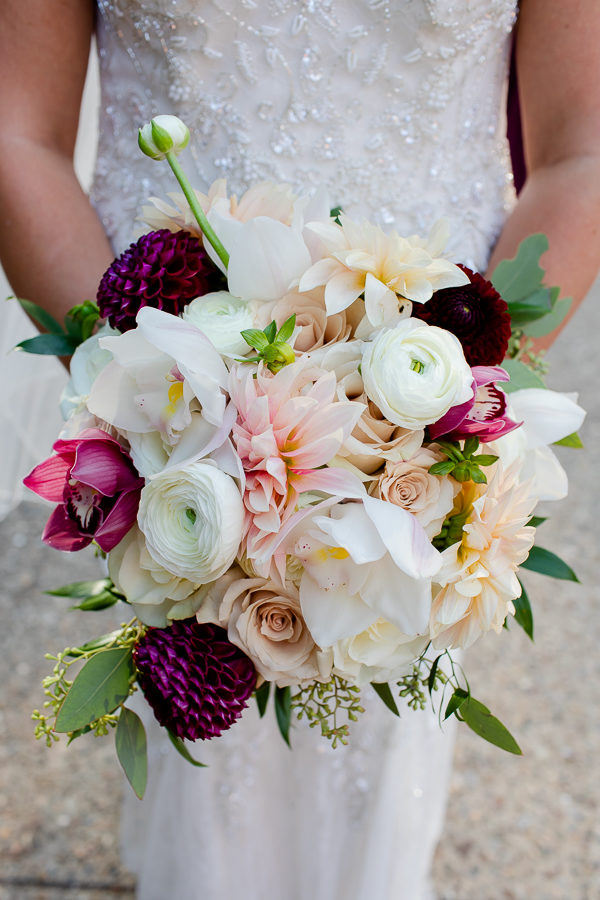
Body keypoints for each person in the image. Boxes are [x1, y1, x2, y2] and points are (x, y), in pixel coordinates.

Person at [1, 2, 599, 898]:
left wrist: (449, 415)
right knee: (197, 707)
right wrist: (136, 390)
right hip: (167, 374)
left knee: (388, 691)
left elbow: (580, 149)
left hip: (427, 365)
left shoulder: (431, 407)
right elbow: (19, 134)